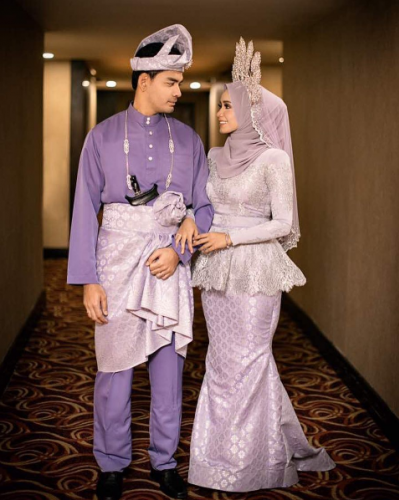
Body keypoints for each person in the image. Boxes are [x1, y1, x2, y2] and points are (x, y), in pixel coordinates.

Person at [178, 38, 335, 493]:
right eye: (221, 105)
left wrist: (231, 237)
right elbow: (201, 204)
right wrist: (188, 217)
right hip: (216, 270)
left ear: (252, 112)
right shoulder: (214, 156)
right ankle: (215, 459)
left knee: (249, 360)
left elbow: (282, 223)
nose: (220, 112)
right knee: (222, 361)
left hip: (255, 270)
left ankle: (250, 463)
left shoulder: (274, 160)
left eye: (228, 106)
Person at [67, 25, 213, 500]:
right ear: (144, 80)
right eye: (172, 81)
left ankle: (164, 462)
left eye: (181, 82)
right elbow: (84, 210)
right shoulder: (102, 137)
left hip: (167, 265)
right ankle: (111, 463)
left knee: (168, 371)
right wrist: (88, 280)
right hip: (114, 264)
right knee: (114, 370)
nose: (179, 91)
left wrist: (180, 250)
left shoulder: (189, 140)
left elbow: (204, 207)